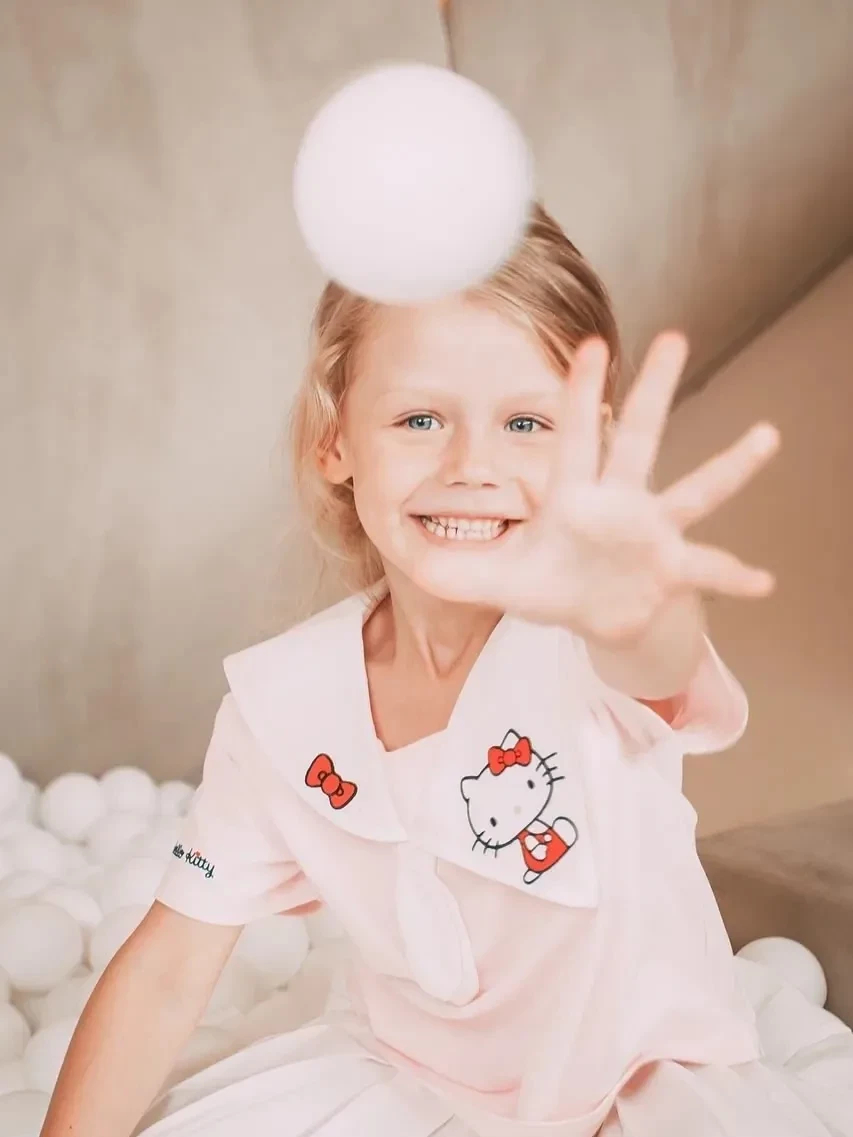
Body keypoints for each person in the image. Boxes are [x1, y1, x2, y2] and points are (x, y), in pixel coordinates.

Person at [40, 205, 853, 1137]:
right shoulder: (284, 706)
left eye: (525, 422)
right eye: (420, 418)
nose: (472, 464)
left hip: (636, 1088)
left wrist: (635, 601)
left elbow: (652, 655)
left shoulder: (590, 641)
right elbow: (168, 967)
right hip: (411, 1081)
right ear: (335, 440)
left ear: (588, 446)